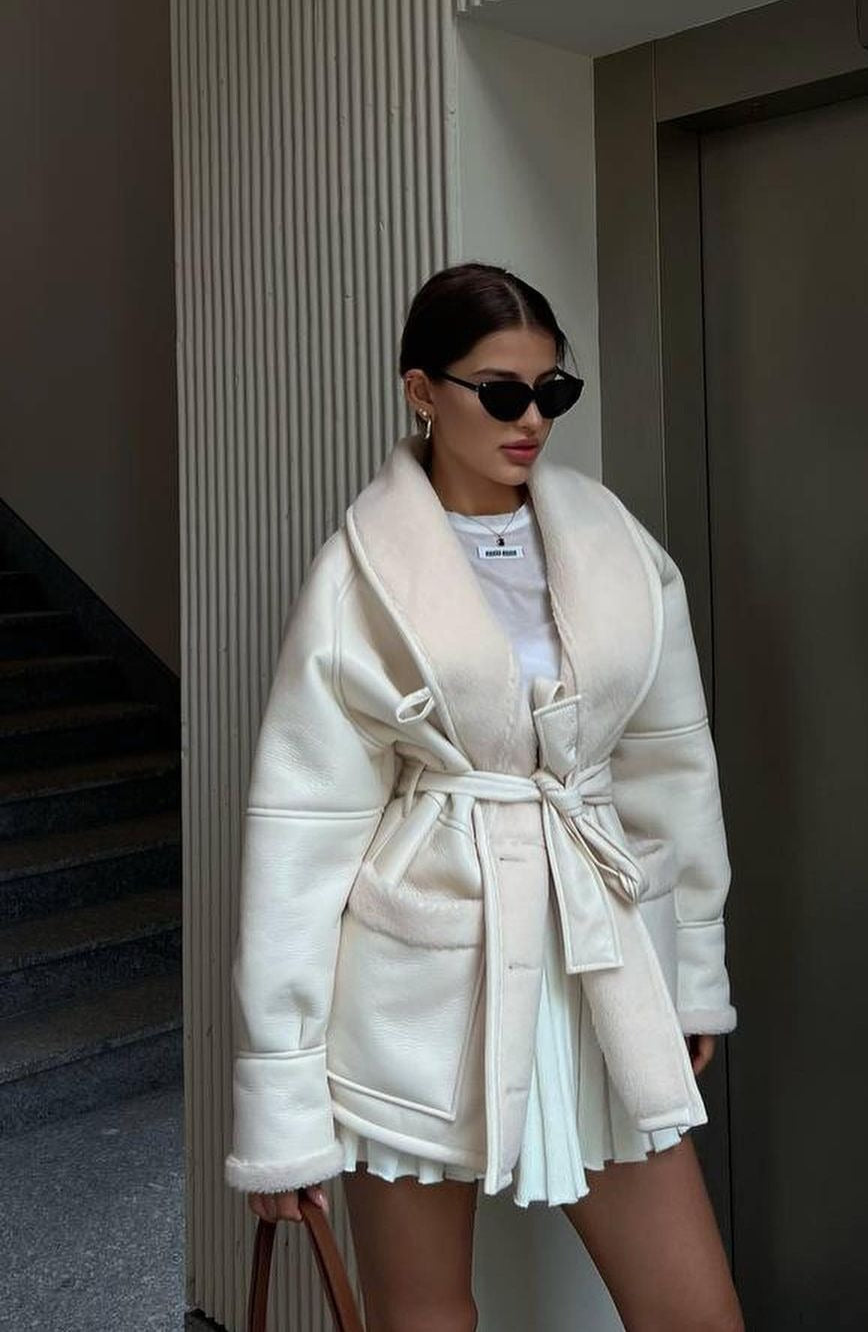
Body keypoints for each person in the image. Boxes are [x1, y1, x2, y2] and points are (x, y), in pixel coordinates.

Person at [225, 262, 744, 1332]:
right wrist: (281, 1099)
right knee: (425, 1319)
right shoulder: (360, 575)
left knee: (695, 1313)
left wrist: (691, 969)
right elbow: (302, 838)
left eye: (552, 392)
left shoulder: (617, 547)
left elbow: (669, 765)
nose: (531, 420)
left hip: (596, 952)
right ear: (422, 391)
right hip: (421, 976)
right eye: (501, 393)